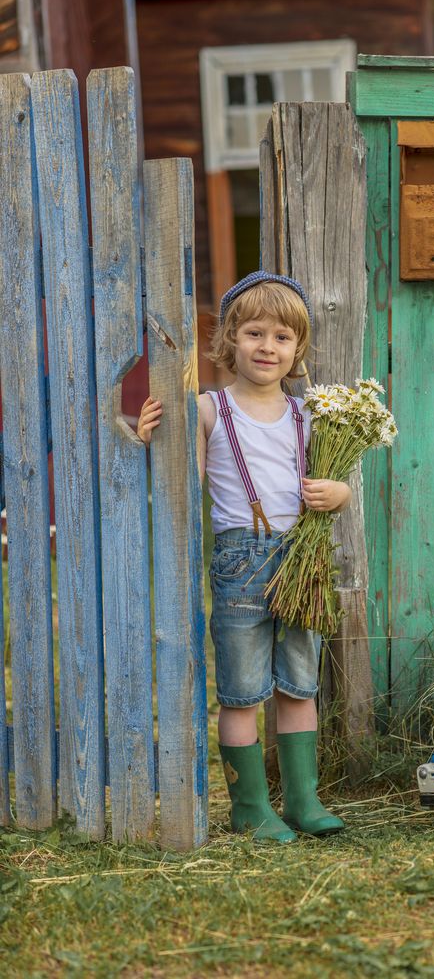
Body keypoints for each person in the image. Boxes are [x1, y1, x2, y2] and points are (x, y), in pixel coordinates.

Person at [138, 270, 350, 843]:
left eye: (282, 338)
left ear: (298, 349)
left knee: (299, 683)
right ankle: (251, 807)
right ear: (229, 338)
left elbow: (335, 482)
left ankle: (304, 800)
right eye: (254, 333)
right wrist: (146, 437)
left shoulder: (310, 417)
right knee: (242, 689)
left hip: (301, 562)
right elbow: (184, 476)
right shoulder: (210, 409)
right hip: (241, 567)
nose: (267, 347)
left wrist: (339, 493)